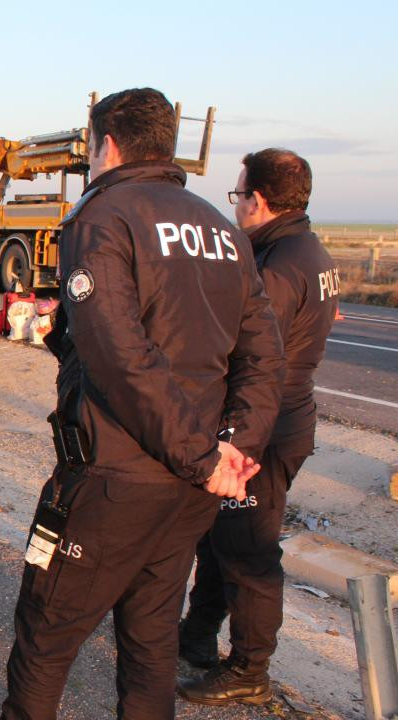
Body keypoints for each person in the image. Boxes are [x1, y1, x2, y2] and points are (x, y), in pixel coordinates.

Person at [0, 88, 285, 719]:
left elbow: (124, 357)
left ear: (106, 145)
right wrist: (233, 448)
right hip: (187, 493)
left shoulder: (103, 217)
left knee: (45, 640)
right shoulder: (220, 228)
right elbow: (263, 357)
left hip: (114, 480)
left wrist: (203, 457)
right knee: (151, 644)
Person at [178, 149, 338, 705]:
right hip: (285, 418)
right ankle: (197, 639)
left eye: (239, 194)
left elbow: (242, 348)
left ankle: (249, 668)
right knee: (222, 539)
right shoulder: (308, 250)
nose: (237, 205)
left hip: (263, 429)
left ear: (260, 200)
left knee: (248, 552)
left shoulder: (278, 263)